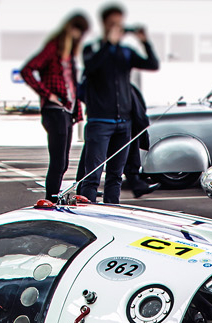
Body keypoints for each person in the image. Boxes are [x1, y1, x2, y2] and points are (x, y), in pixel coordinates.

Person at [75, 4, 159, 204]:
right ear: (104, 24)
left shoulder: (126, 52)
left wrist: (145, 42)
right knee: (92, 176)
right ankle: (88, 215)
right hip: (99, 122)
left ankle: (111, 213)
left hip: (124, 123)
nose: (117, 28)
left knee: (115, 176)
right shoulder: (93, 49)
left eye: (120, 24)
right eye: (113, 24)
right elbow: (92, 67)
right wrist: (108, 44)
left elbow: (152, 64)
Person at [23, 13, 89, 197]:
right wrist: (47, 94)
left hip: (66, 111)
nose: (78, 37)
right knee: (58, 161)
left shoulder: (69, 56)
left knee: (64, 162)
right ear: (70, 29)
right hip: (55, 110)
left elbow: (73, 87)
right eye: (77, 31)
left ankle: (53, 198)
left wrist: (76, 112)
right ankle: (51, 200)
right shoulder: (53, 48)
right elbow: (27, 70)